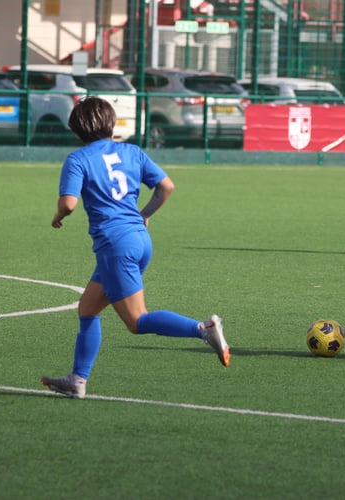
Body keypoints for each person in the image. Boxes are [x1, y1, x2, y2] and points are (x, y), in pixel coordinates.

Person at [41, 96, 230, 399]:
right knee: (88, 308)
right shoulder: (132, 151)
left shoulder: (78, 159)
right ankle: (77, 379)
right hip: (139, 240)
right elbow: (166, 186)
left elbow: (69, 203)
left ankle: (203, 329)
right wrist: (145, 215)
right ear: (111, 122)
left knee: (137, 321)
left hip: (115, 246)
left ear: (76, 128)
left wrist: (57, 216)